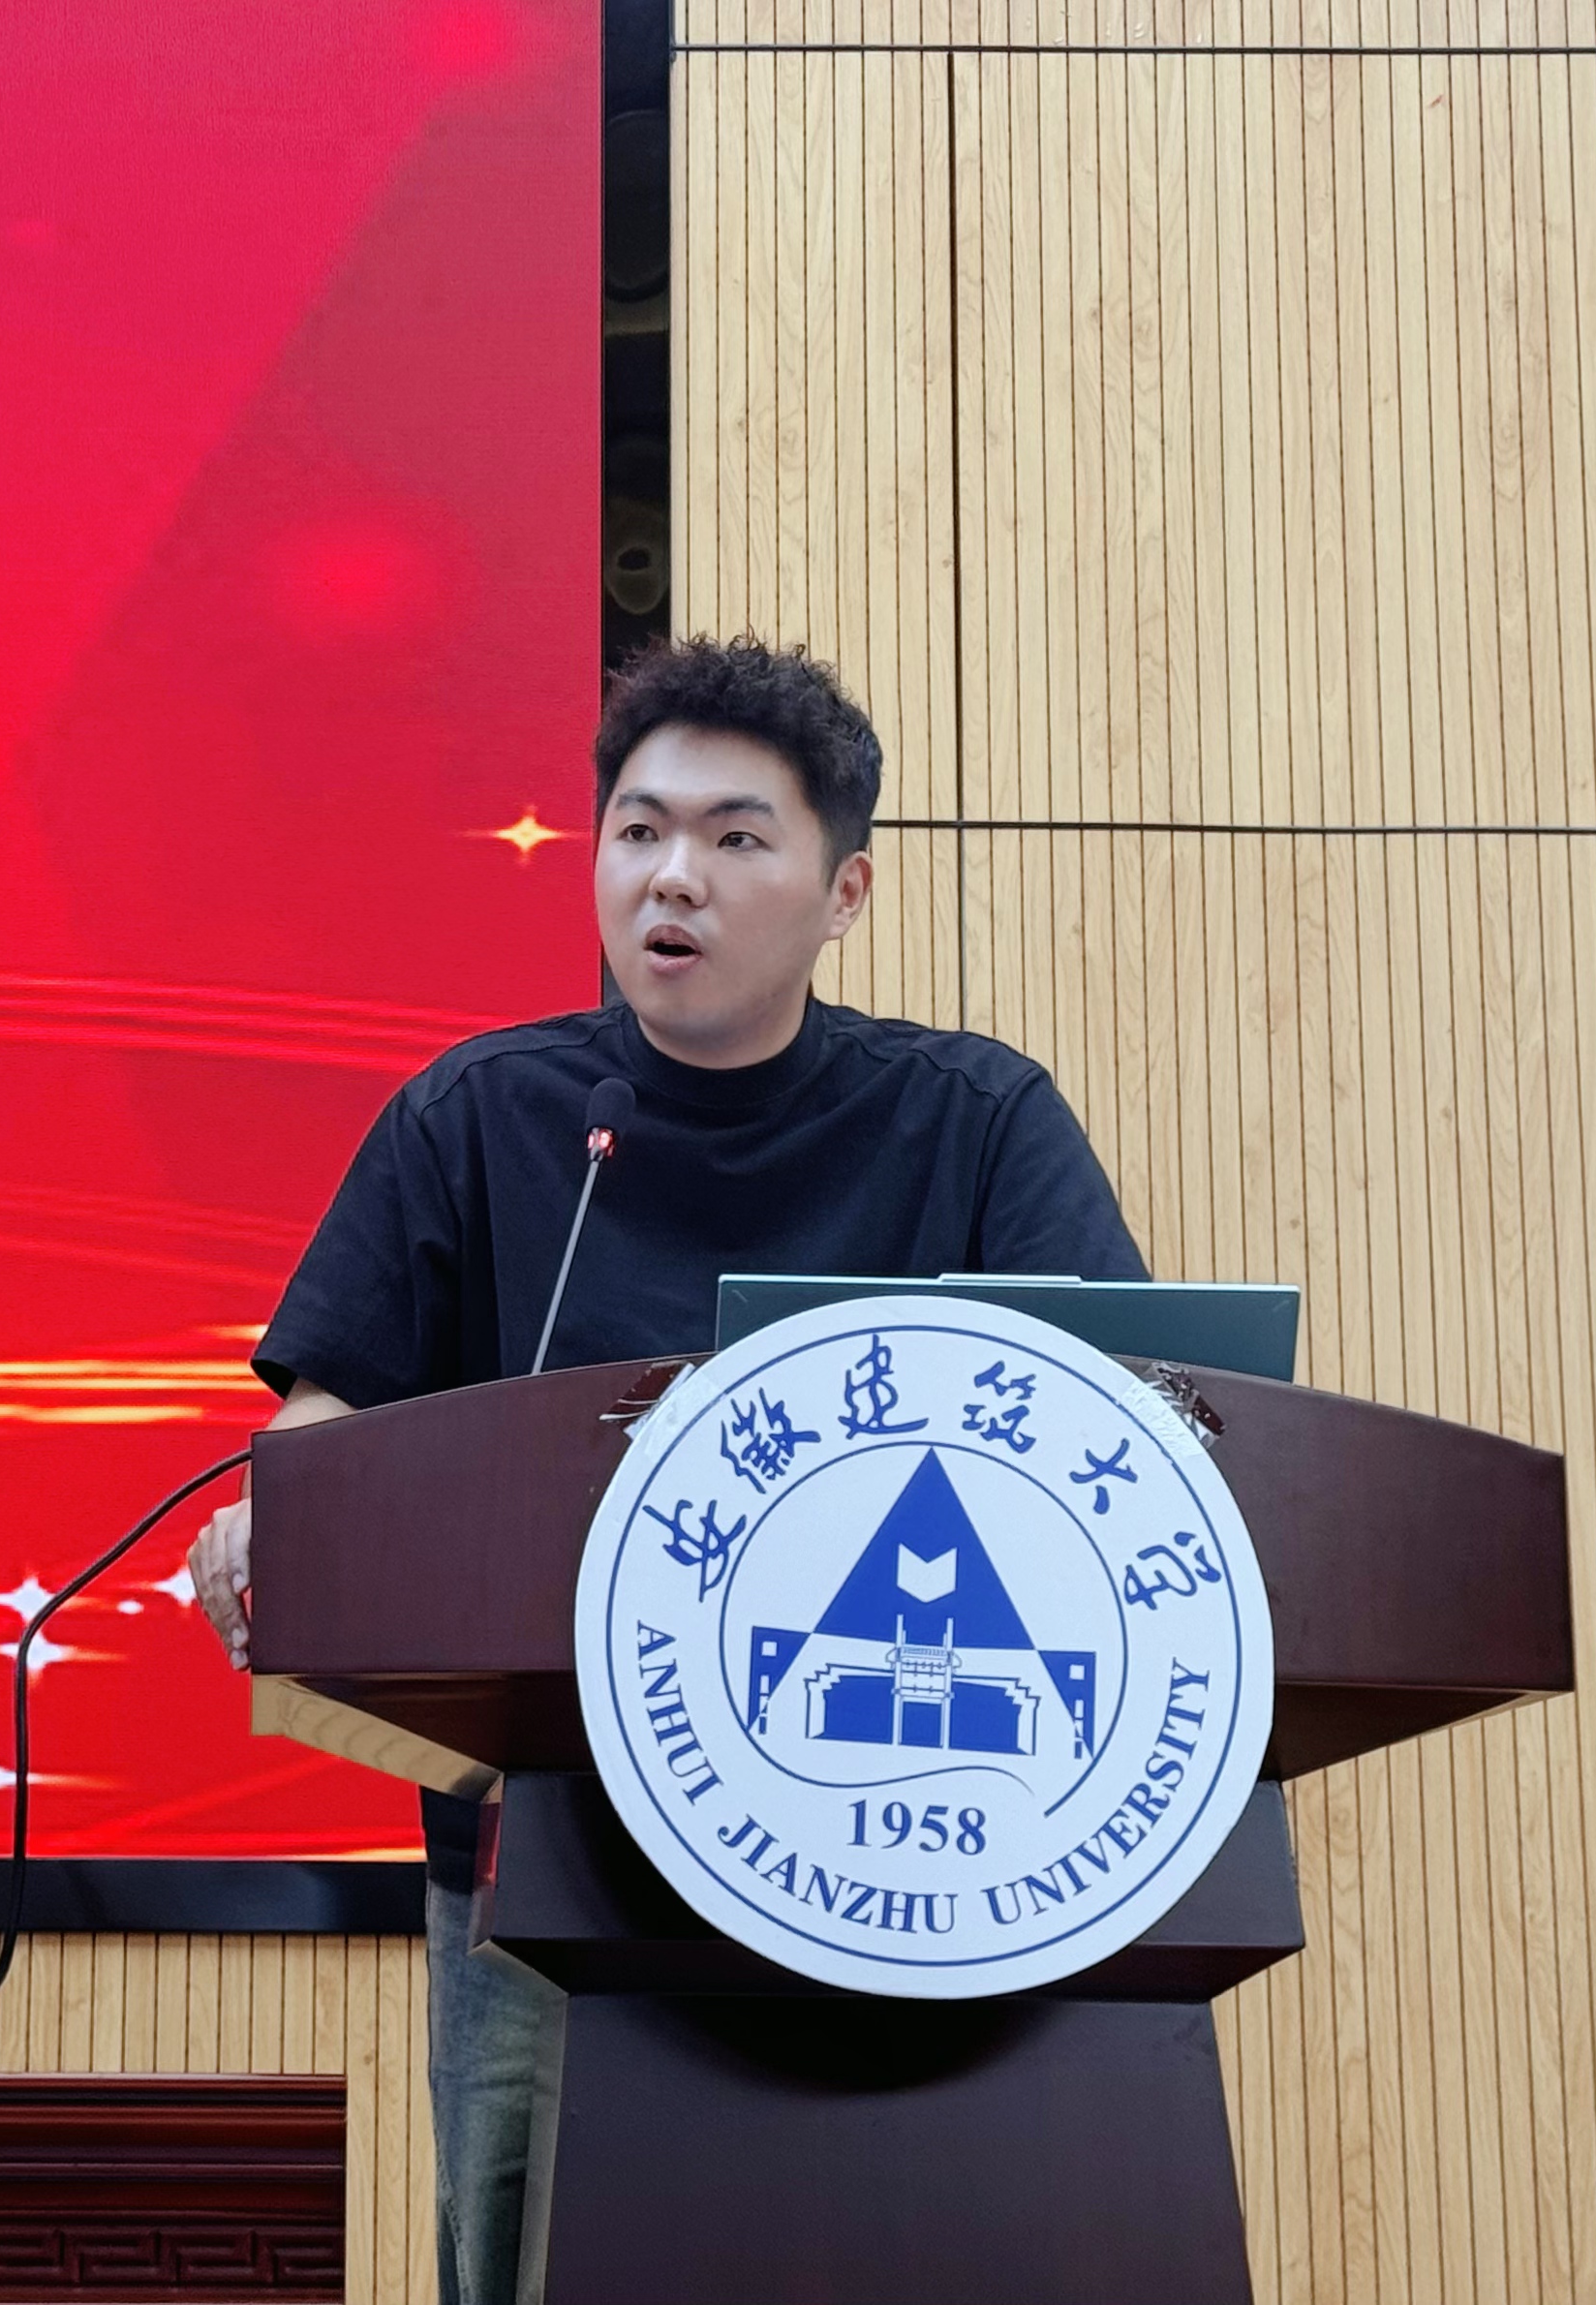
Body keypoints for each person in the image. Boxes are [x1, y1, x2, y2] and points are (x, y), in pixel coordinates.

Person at [188, 634, 1146, 2305]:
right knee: (537, 2257)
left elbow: (1128, 1436)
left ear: (843, 893)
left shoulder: (975, 1122)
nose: (670, 877)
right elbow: (327, 1431)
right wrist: (277, 1517)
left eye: (732, 836)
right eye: (635, 831)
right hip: (549, 1850)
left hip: (915, 1852)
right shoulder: (481, 1118)